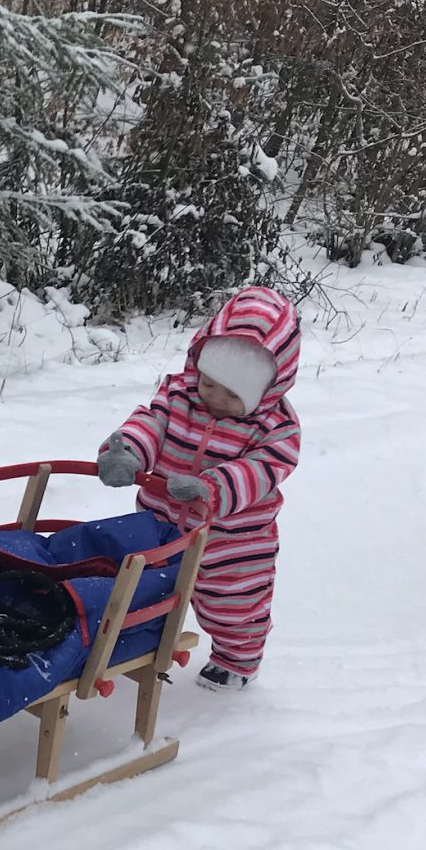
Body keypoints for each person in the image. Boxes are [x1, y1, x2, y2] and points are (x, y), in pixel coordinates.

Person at [96, 285, 303, 690]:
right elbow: (151, 423)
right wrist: (129, 452)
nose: (215, 398)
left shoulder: (275, 426)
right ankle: (139, 640)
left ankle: (236, 661)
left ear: (266, 390)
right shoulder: (179, 394)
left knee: (233, 603)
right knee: (146, 584)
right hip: (160, 521)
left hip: (232, 540)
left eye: (233, 393)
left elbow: (263, 469)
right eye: (209, 383)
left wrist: (212, 487)